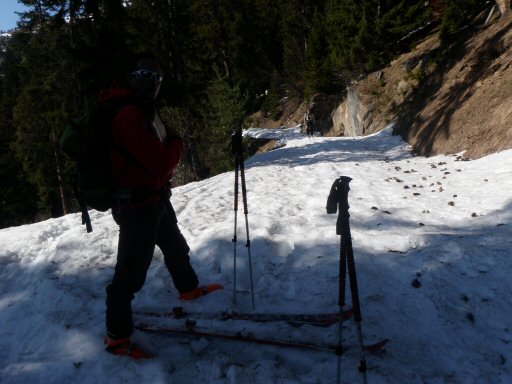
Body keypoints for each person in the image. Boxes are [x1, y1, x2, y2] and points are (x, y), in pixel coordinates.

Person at [102, 54, 223, 359]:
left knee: (175, 246)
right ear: (131, 77)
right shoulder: (128, 115)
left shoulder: (143, 109)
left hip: (154, 197)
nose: (153, 83)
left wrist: (168, 150)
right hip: (136, 205)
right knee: (129, 275)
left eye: (157, 78)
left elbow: (159, 161)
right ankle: (117, 338)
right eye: (145, 75)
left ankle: (189, 289)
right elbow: (159, 162)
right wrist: (177, 145)